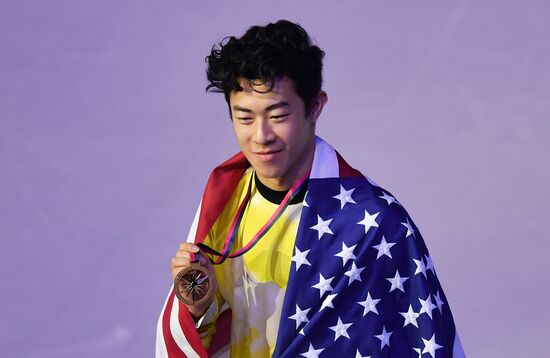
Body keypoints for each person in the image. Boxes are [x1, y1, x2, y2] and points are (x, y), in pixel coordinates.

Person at [156, 19, 465, 358]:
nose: (260, 136)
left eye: (277, 115)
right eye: (244, 117)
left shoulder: (375, 224)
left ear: (315, 106)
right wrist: (200, 304)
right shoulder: (225, 204)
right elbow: (222, 329)